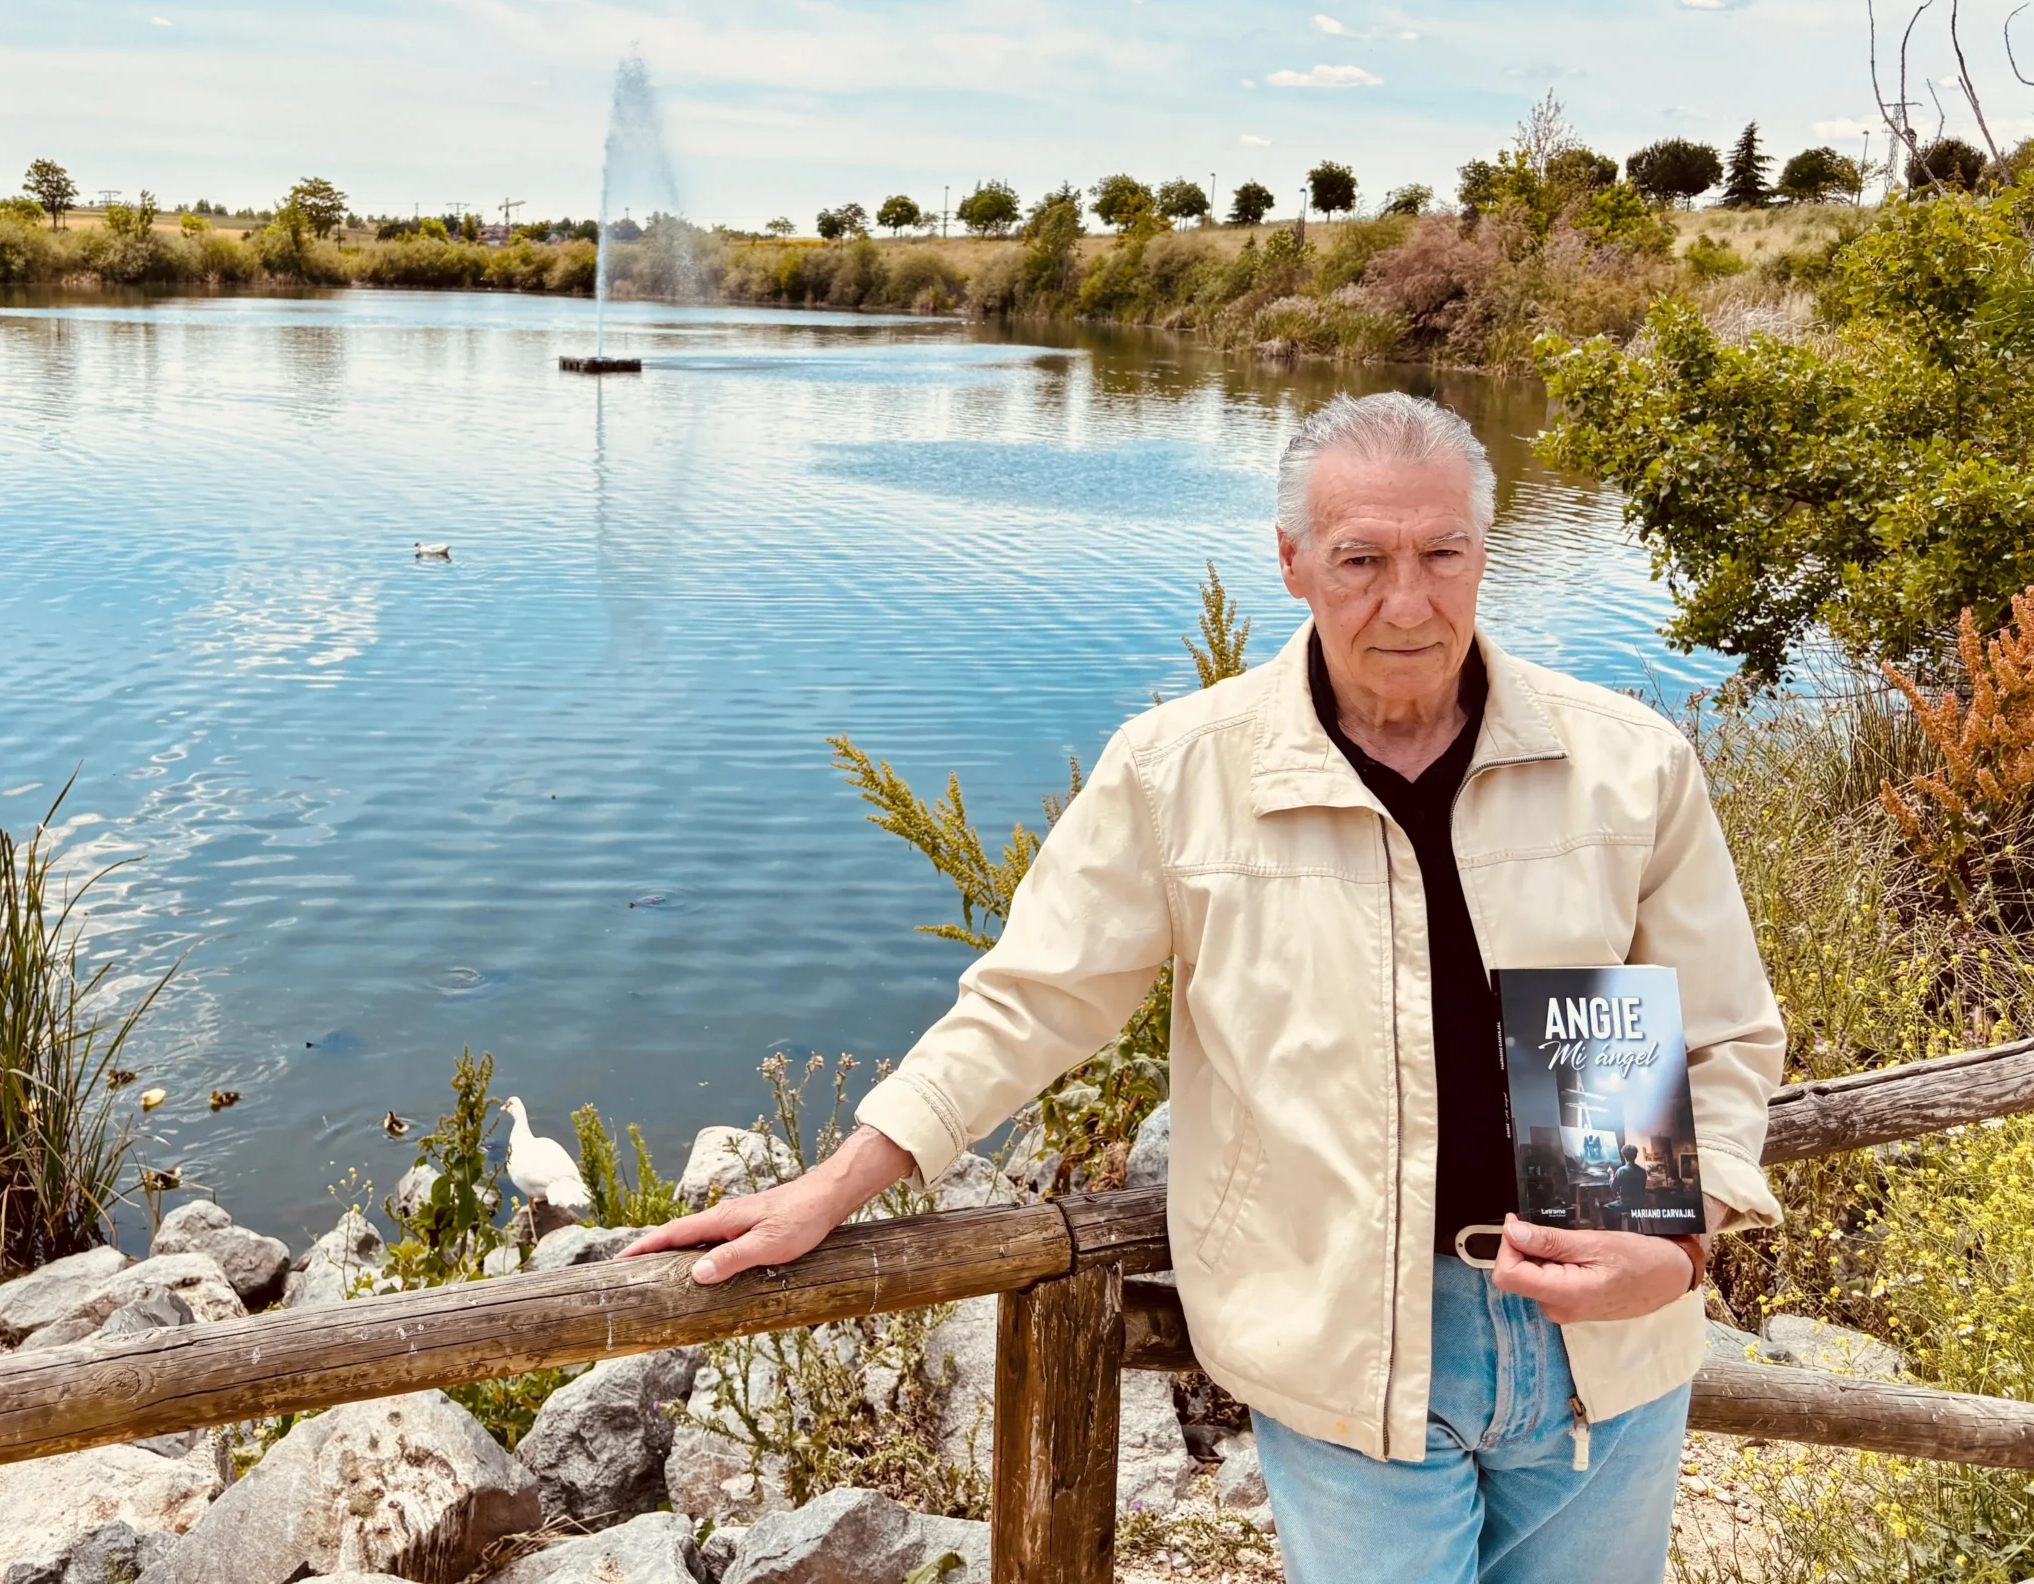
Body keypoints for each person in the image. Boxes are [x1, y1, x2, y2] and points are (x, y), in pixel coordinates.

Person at [628, 391, 1785, 1584]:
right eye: (1360, 559)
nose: (1407, 600)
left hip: (1609, 1332)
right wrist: (834, 1185)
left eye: (1442, 553)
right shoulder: (1180, 770)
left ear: (1485, 551)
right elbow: (1033, 1000)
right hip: (1343, 1346)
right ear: (1290, 562)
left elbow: (1721, 1036)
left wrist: (1681, 1245)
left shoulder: (1626, 762)